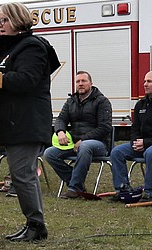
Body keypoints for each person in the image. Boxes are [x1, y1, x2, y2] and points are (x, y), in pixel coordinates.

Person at [0, 2, 60, 242]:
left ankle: (36, 226)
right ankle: (35, 224)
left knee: (21, 174)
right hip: (14, 121)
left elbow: (26, 80)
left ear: (18, 20)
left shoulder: (32, 48)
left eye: (4, 20)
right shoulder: (13, 48)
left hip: (26, 121)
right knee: (23, 173)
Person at [109, 71, 152, 202]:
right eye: (145, 81)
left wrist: (146, 143)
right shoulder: (140, 105)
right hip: (144, 145)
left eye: (149, 81)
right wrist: (135, 142)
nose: (145, 84)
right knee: (117, 152)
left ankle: (150, 193)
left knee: (151, 153)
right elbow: (135, 128)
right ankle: (122, 190)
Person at [45, 70, 113, 198]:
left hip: (99, 144)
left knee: (85, 146)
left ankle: (75, 188)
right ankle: (75, 180)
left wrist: (83, 139)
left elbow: (105, 128)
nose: (80, 84)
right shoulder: (71, 101)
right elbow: (60, 119)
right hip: (75, 144)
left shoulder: (102, 101)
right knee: (49, 153)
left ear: (91, 83)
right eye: (78, 81)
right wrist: (60, 132)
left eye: (84, 81)